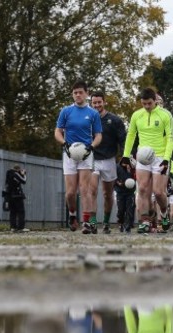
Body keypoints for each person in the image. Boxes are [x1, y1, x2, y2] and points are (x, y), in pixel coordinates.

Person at [121, 88, 173, 234]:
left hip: (160, 156)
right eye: (144, 103)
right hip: (143, 157)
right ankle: (144, 221)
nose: (147, 106)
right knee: (142, 189)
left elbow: (170, 137)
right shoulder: (137, 115)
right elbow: (131, 135)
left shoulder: (165, 115)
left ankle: (164, 213)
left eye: (149, 103)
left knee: (158, 192)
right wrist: (126, 155)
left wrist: (166, 159)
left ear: (155, 101)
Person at [54, 80, 103, 233]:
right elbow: (57, 132)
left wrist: (91, 147)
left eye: (81, 92)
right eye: (75, 93)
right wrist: (64, 144)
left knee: (85, 189)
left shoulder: (93, 113)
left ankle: (87, 223)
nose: (78, 95)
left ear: (86, 94)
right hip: (69, 154)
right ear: (72, 95)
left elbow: (98, 135)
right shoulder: (66, 111)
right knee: (70, 193)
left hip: (86, 154)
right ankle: (72, 215)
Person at [90, 91, 127, 234]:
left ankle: (105, 222)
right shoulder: (88, 119)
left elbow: (123, 140)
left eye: (99, 102)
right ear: (91, 103)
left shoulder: (115, 120)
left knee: (107, 194)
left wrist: (125, 157)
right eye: (94, 103)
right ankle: (92, 223)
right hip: (92, 159)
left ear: (104, 102)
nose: (97, 105)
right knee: (91, 191)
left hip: (109, 159)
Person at [5, 164, 28, 232]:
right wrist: (23, 174)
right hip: (17, 195)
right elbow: (23, 181)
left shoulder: (8, 174)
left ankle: (13, 227)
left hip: (9, 195)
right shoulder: (15, 174)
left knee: (13, 212)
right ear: (18, 169)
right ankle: (21, 227)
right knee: (21, 211)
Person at [114, 160, 136, 232]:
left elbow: (137, 177)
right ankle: (121, 222)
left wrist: (131, 171)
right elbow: (114, 177)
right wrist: (118, 183)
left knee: (129, 209)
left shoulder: (132, 166)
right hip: (120, 192)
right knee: (121, 210)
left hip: (130, 192)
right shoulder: (117, 167)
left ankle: (128, 226)